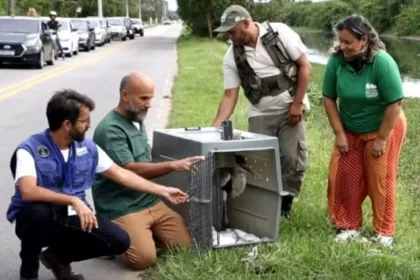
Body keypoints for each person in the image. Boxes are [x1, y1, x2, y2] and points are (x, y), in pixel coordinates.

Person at [6, 89, 189, 280]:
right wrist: (73, 200)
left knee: (119, 241)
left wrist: (163, 190)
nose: (88, 126)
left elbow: (122, 175)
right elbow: (28, 191)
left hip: (71, 217)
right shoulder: (30, 149)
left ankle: (57, 257)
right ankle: (29, 272)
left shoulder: (87, 148)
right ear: (67, 125)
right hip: (37, 221)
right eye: (84, 121)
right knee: (38, 213)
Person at [92, 72, 203, 270]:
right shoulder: (109, 129)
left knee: (185, 248)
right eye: (143, 98)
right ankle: (105, 236)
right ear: (125, 95)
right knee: (143, 261)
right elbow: (130, 170)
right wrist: (172, 165)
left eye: (151, 98)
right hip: (122, 205)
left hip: (149, 199)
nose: (149, 104)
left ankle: (142, 235)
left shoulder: (137, 117)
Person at [212, 5, 311, 219]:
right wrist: (216, 124)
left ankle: (285, 204)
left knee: (292, 160)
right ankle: (264, 203)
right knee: (257, 162)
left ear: (246, 23)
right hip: (259, 111)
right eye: (227, 33)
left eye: (232, 31)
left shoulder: (280, 33)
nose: (229, 36)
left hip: (290, 107)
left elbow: (304, 66)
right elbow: (230, 95)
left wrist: (298, 103)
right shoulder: (231, 57)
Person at [322, 15, 407, 246]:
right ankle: (349, 226)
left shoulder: (382, 62)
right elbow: (328, 98)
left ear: (363, 40)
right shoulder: (336, 61)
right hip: (349, 128)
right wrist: (339, 133)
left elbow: (395, 104)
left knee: (380, 178)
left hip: (384, 127)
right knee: (345, 176)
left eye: (348, 41)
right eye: (340, 40)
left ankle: (384, 233)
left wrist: (381, 139)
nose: (343, 46)